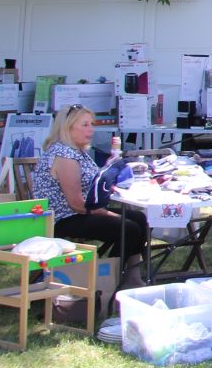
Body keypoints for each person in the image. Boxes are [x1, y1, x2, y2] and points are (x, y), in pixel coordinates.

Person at [30, 105, 148, 288]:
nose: (91, 129)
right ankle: (109, 280)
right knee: (129, 228)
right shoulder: (64, 155)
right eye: (85, 125)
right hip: (63, 218)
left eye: (91, 124)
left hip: (82, 212)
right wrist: (107, 213)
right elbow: (76, 203)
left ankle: (131, 276)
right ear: (67, 127)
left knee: (139, 218)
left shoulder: (77, 151)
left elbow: (92, 183)